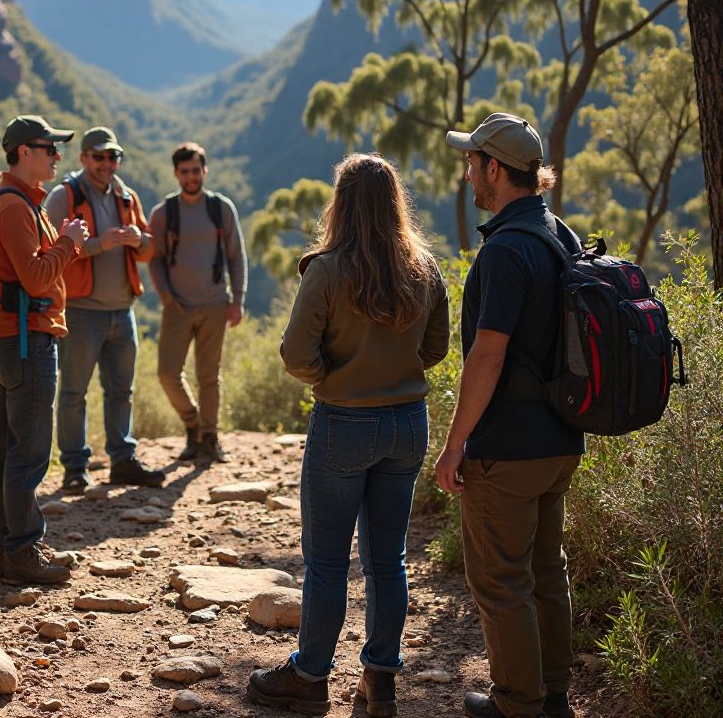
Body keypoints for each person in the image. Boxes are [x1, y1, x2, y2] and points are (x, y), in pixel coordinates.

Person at [248, 153, 449, 718]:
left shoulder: (329, 270)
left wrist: (334, 376)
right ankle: (381, 679)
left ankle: (311, 677)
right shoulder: (424, 268)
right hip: (409, 423)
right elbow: (434, 351)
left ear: (341, 205)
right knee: (390, 560)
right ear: (394, 205)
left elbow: (295, 356)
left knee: (329, 562)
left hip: (344, 423)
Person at [436, 113, 583, 718]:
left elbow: (487, 355)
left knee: (501, 582)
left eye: (472, 162)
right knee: (547, 572)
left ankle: (517, 705)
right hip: (561, 441)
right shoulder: (559, 234)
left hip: (508, 448)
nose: (468, 172)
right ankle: (552, 695)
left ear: (495, 169)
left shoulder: (504, 252)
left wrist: (454, 445)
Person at [0, 115, 89, 585]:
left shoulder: (8, 202)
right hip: (26, 339)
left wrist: (58, 242)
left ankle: (8, 545)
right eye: (48, 148)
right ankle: (21, 550)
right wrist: (70, 243)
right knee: (29, 449)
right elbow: (37, 277)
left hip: (5, 338)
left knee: (3, 445)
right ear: (23, 151)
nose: (56, 156)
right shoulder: (17, 208)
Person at [46, 125, 165, 490]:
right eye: (99, 156)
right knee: (73, 393)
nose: (107, 163)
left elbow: (148, 249)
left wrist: (137, 239)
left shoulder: (125, 196)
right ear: (83, 158)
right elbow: (50, 251)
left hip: (122, 311)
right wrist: (101, 243)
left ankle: (123, 460)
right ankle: (74, 468)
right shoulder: (64, 196)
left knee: (121, 391)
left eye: (113, 156)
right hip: (81, 311)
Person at [148, 142, 247, 463]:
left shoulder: (221, 208)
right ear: (176, 173)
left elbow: (236, 256)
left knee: (209, 376)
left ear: (204, 170)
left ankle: (209, 438)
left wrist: (238, 300)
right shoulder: (165, 213)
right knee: (167, 374)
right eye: (184, 171)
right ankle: (193, 425)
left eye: (196, 170)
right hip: (178, 307)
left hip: (216, 304)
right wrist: (165, 296)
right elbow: (155, 260)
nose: (191, 176)